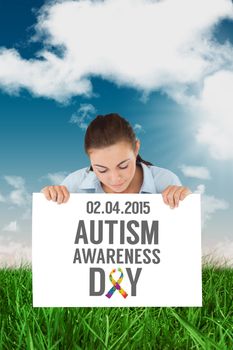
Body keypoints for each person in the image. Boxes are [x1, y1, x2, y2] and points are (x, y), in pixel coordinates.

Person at [41, 113, 191, 208]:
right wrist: (50, 198)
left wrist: (184, 201)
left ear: (136, 148)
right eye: (101, 169)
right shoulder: (74, 185)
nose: (114, 179)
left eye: (123, 165)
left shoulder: (165, 181)